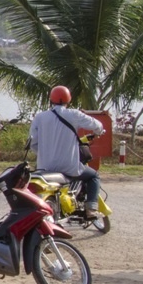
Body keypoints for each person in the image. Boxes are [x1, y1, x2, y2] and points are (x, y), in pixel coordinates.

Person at [29, 85, 105, 219]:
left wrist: (45, 153)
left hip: (44, 167)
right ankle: (91, 209)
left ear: (51, 100)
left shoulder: (40, 117)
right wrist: (99, 132)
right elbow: (97, 125)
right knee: (93, 176)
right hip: (68, 167)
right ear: (68, 100)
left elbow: (33, 143)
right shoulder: (74, 114)